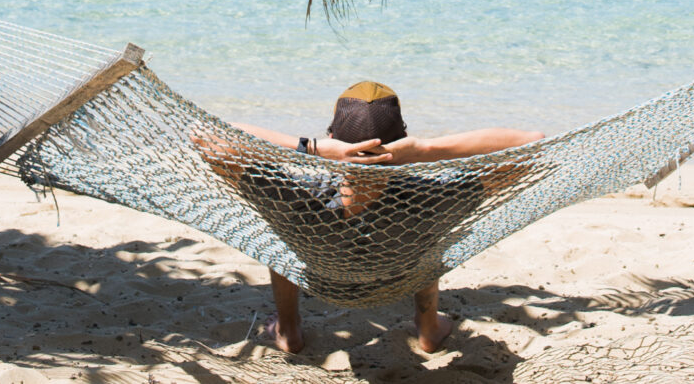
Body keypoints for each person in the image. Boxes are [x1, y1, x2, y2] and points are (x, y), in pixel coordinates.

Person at [191, 81, 543, 354]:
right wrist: (425, 150)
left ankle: (289, 330)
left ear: (333, 136)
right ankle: (428, 329)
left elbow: (207, 137)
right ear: (401, 138)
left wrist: (311, 149)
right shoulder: (430, 196)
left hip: (321, 275)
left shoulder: (298, 195)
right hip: (399, 274)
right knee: (431, 239)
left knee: (281, 235)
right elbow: (533, 144)